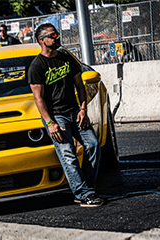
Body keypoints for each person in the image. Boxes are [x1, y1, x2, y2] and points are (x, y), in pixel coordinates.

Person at [28, 23, 103, 207]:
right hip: (56, 117)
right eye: (53, 35)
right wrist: (50, 123)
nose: (57, 38)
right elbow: (38, 99)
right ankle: (84, 193)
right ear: (42, 40)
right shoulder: (36, 66)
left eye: (57, 34)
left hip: (75, 112)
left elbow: (80, 86)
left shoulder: (66, 58)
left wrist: (83, 109)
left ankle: (86, 188)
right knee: (68, 154)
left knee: (93, 145)